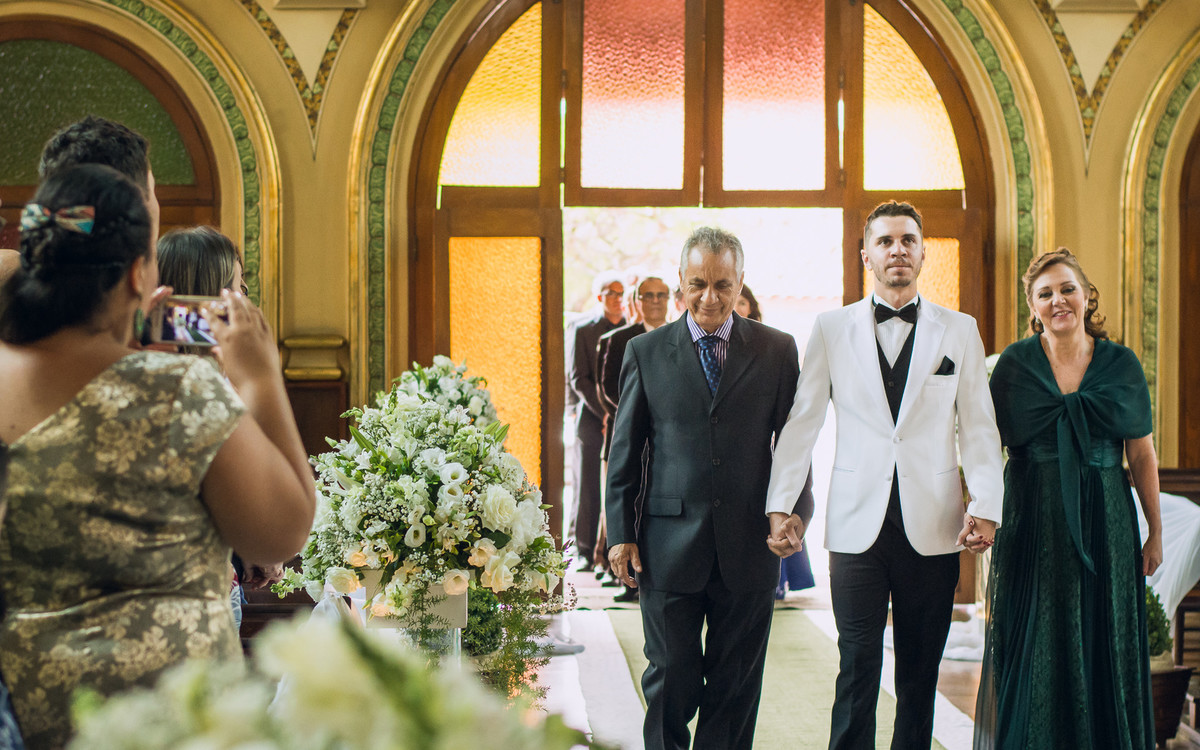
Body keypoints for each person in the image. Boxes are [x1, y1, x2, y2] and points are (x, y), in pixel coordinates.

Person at [0, 164, 315, 749]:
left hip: (29, 704)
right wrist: (262, 378)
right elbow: (283, 532)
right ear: (139, 277)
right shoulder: (177, 392)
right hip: (164, 710)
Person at [764, 200, 1003, 750]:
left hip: (935, 524)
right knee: (856, 666)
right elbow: (802, 424)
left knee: (920, 675)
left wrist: (986, 503)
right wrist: (783, 506)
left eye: (908, 240)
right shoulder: (830, 327)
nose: (898, 249)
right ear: (866, 253)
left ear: (921, 252)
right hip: (855, 526)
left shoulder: (959, 330)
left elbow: (980, 427)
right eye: (887, 240)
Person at [606, 227, 812, 750]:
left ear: (741, 282)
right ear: (681, 282)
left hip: (750, 544)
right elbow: (627, 453)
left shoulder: (777, 349)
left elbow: (794, 445)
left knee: (735, 685)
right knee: (670, 677)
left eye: (723, 284)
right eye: (698, 283)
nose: (709, 297)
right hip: (668, 545)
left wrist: (794, 513)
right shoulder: (645, 352)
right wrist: (620, 534)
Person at [973, 248, 1161, 750]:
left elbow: (1141, 455)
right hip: (1033, 516)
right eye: (1045, 294)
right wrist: (981, 513)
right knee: (1036, 637)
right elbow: (986, 447)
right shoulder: (1013, 365)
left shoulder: (1120, 364)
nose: (1059, 301)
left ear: (1086, 296)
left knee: (1105, 636)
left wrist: (1155, 531)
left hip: (1107, 518)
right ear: (1033, 308)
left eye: (1067, 289)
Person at [157, 226, 287, 629]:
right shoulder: (216, 387)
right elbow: (273, 513)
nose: (246, 301)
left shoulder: (137, 373)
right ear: (209, 298)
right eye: (238, 288)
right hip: (204, 599)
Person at [594, 274, 672, 604]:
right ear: (636, 300)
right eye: (648, 295)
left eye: (661, 295)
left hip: (668, 442)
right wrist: (642, 418)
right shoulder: (620, 339)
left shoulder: (678, 336)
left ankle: (654, 578)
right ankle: (626, 578)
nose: (655, 301)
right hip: (626, 438)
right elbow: (609, 390)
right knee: (624, 505)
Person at [737, 283, 816, 600]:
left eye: (742, 302)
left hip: (769, 453)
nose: (737, 307)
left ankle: (777, 580)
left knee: (775, 509)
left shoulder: (775, 347)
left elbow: (794, 423)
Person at [567, 271, 624, 570]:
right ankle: (584, 551)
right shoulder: (583, 330)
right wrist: (603, 412)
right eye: (610, 292)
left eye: (620, 292)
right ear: (600, 297)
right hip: (592, 420)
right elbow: (578, 378)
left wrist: (617, 412)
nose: (616, 298)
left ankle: (613, 549)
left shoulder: (632, 330)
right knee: (587, 485)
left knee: (618, 485)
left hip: (622, 418)